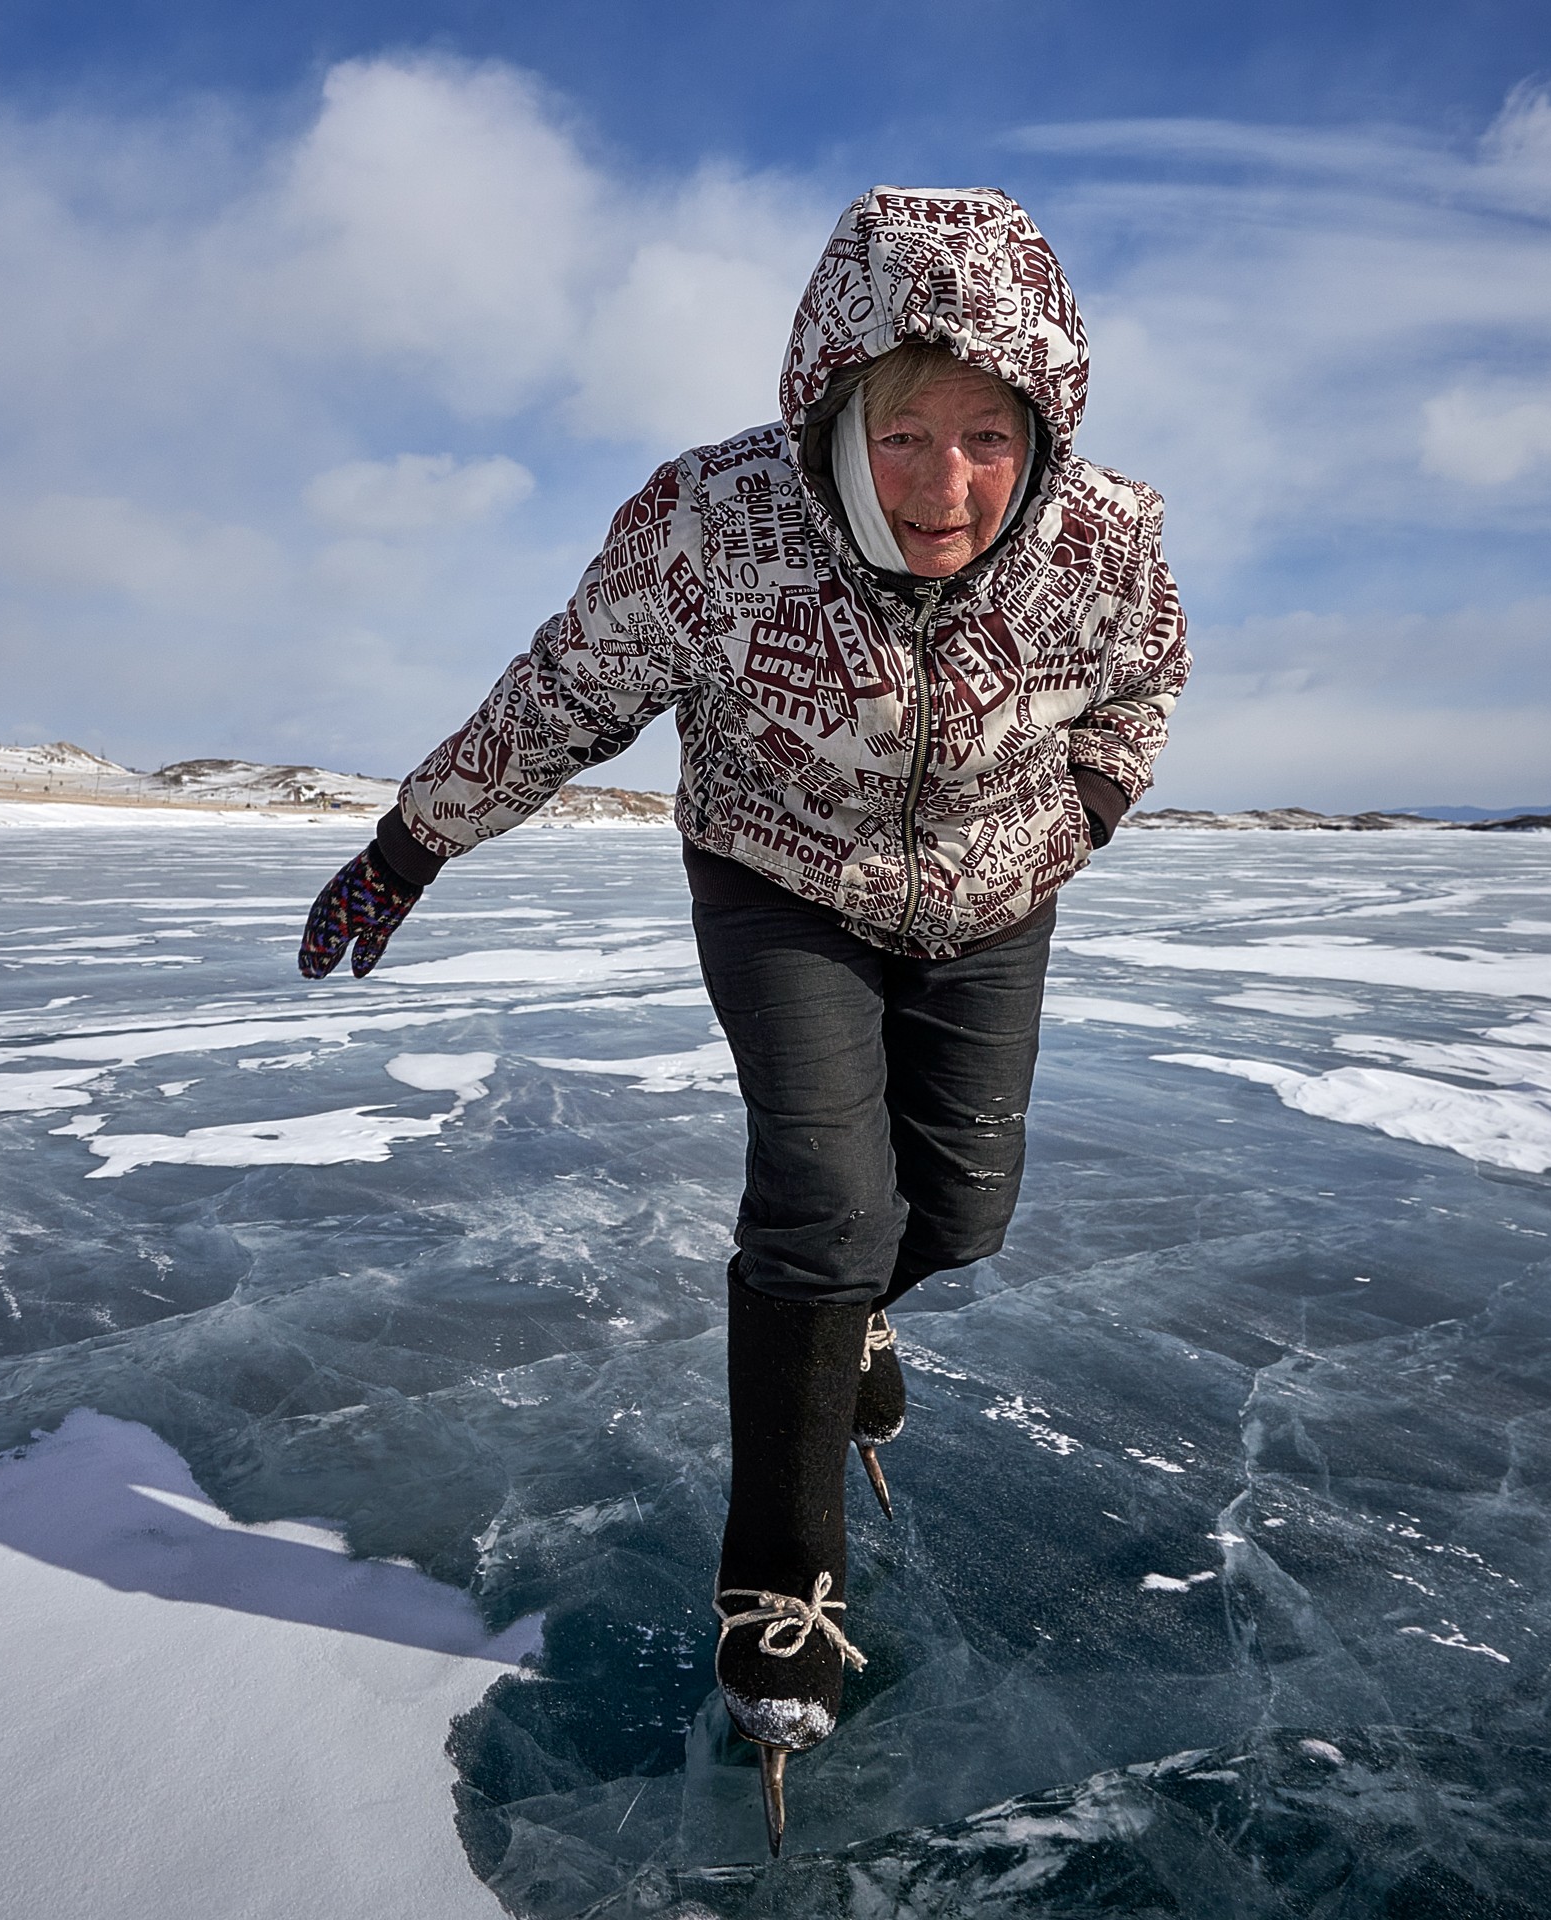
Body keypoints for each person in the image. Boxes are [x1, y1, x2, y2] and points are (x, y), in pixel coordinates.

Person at [297, 186, 1188, 1856]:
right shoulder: (716, 525)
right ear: (835, 406)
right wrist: (408, 845)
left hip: (996, 885)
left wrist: (1086, 805)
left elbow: (1147, 682)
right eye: (906, 433)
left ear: (1044, 427)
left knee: (964, 1211)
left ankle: (851, 1324)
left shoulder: (1106, 541)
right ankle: (778, 1581)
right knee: (825, 1209)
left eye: (989, 438)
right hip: (780, 873)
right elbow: (567, 688)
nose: (946, 488)